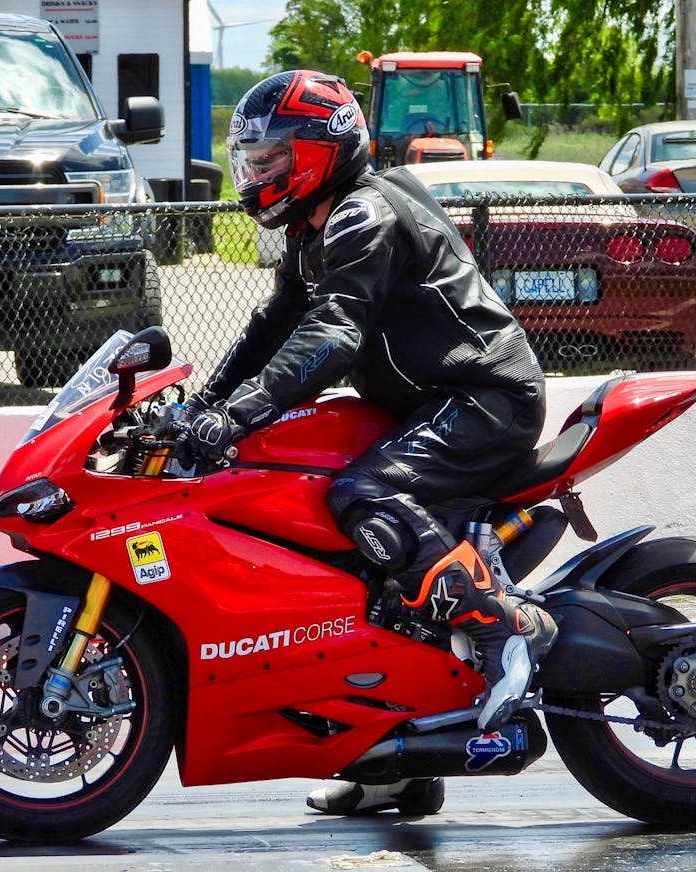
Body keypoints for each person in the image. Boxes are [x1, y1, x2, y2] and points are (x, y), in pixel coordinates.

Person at [185, 70, 559, 816]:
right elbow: (274, 326)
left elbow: (332, 332)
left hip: (481, 396)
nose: (258, 174)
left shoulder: (364, 214)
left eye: (273, 159)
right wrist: (200, 405)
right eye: (252, 161)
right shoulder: (315, 224)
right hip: (422, 400)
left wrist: (242, 414)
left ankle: (508, 632)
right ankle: (395, 761)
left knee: (365, 493)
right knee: (349, 547)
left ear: (322, 152)